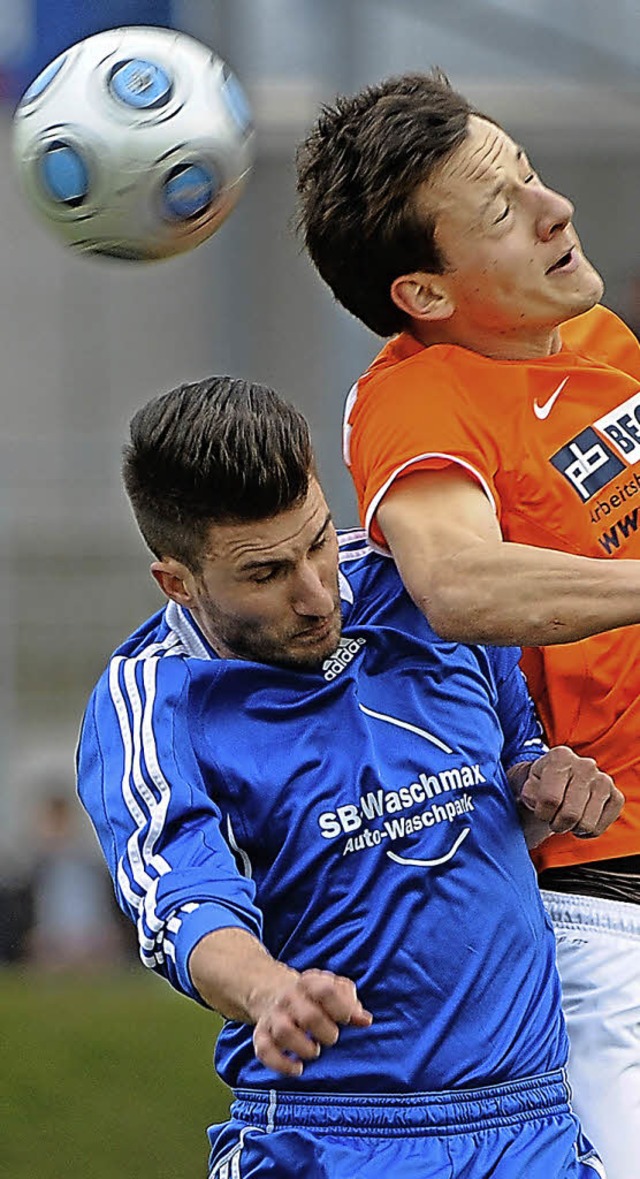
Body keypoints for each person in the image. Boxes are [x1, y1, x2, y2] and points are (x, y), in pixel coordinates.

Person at [76, 375, 622, 1178]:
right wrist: (268, 991)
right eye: (264, 574)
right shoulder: (152, 703)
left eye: (318, 541)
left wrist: (551, 785)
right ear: (178, 582)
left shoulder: (421, 589)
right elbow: (182, 903)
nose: (316, 591)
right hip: (329, 1138)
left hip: (532, 1124)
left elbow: (514, 765)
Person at [295, 71, 640, 1178]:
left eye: (530, 174)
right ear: (428, 293)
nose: (554, 210)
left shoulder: (594, 333)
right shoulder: (415, 399)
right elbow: (458, 583)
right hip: (607, 898)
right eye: (502, 209)